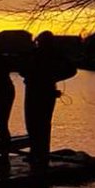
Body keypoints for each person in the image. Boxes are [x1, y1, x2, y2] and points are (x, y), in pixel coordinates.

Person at [19, 31, 77, 169]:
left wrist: (53, 78)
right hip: (37, 89)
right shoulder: (41, 53)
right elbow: (22, 69)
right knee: (36, 123)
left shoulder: (52, 54)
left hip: (42, 91)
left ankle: (40, 154)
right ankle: (37, 152)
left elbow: (71, 70)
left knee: (39, 123)